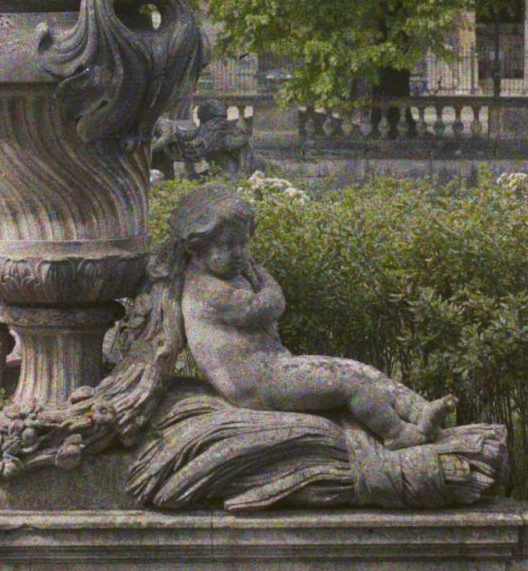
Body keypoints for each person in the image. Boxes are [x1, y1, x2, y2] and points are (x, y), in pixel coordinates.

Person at [166, 185, 454, 449]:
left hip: (273, 369)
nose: (240, 253)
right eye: (228, 245)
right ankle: (396, 434)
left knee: (361, 370)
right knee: (350, 383)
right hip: (256, 384)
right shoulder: (207, 290)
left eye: (243, 243)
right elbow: (270, 306)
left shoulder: (218, 276)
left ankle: (419, 411)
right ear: (195, 248)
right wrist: (264, 279)